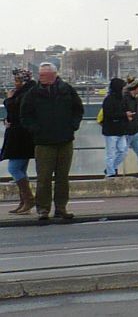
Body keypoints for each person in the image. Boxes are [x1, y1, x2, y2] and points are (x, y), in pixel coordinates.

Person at [20, 62, 84, 222]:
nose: (40, 77)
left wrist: (73, 126)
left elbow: (78, 109)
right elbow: (25, 115)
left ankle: (61, 208)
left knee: (63, 177)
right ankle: (43, 209)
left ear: (53, 75)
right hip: (43, 142)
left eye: (43, 75)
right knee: (44, 177)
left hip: (65, 139)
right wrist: (35, 129)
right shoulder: (33, 93)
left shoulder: (67, 90)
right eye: (40, 74)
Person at [1, 68, 36, 214]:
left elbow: (17, 110)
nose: (15, 83)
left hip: (20, 137)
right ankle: (24, 201)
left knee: (14, 168)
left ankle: (28, 199)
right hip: (22, 136)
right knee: (20, 169)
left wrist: (8, 99)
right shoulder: (28, 91)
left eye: (17, 80)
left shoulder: (26, 94)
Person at [100, 77, 129, 177]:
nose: (125, 89)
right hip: (111, 130)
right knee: (110, 154)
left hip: (121, 130)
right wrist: (125, 115)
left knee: (123, 151)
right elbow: (109, 114)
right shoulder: (108, 100)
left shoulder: (123, 99)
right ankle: (111, 173)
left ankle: (110, 168)